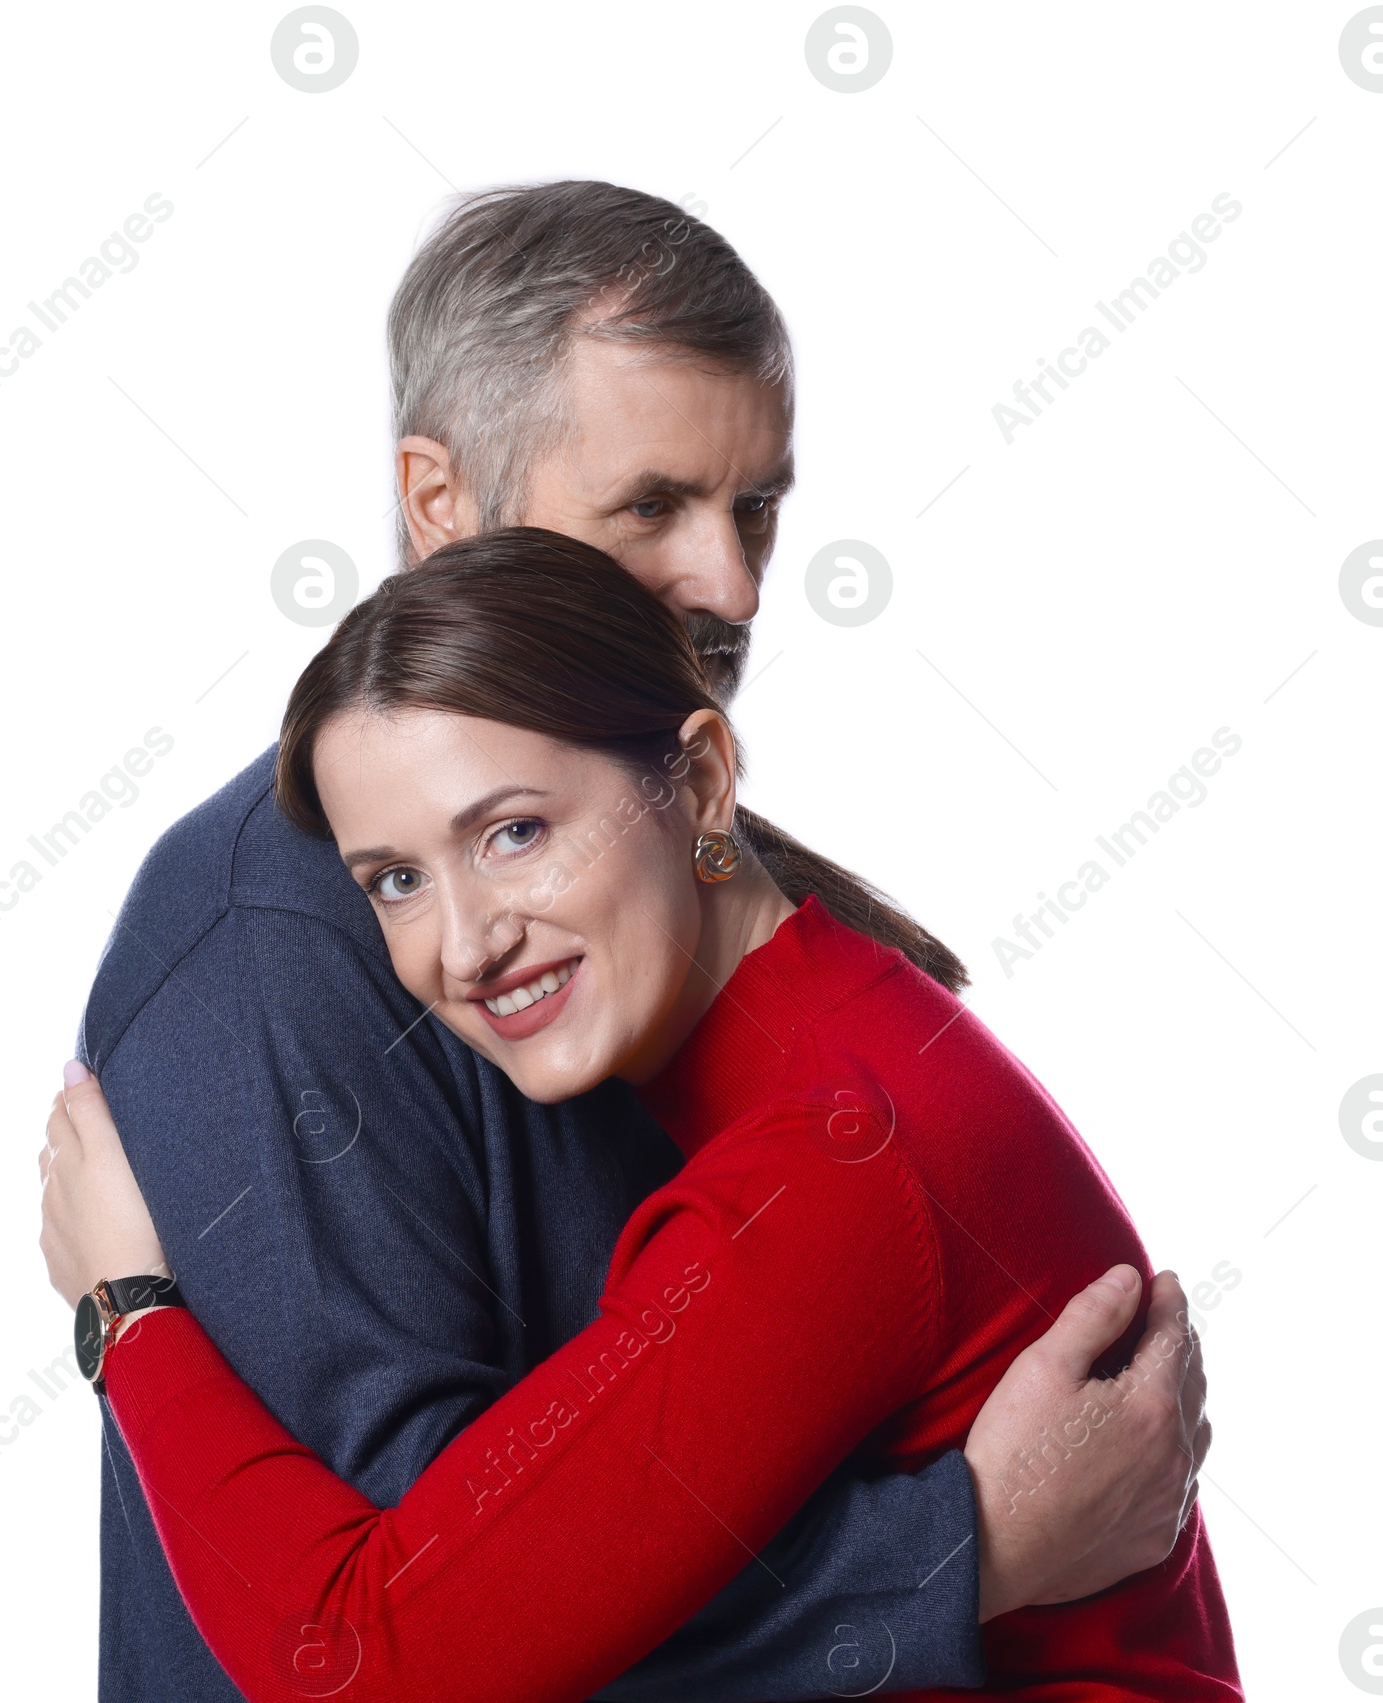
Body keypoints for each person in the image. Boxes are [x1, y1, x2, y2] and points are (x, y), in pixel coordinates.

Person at [73, 181, 1211, 1700]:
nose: (733, 587)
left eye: (755, 509)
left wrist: (126, 1319)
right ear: (440, 505)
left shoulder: (751, 1013)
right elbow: (418, 1610)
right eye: (652, 508)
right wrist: (965, 1546)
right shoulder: (272, 944)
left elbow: (426, 1635)